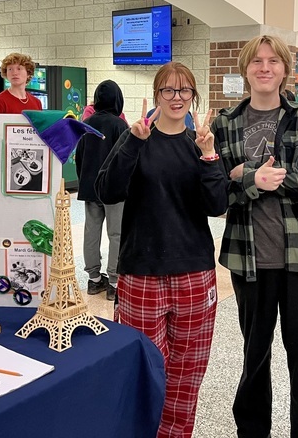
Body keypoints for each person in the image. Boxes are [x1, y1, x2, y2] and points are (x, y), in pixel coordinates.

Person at [96, 62, 227, 437]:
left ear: (193, 96)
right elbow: (107, 191)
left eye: (184, 90)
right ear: (156, 95)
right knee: (144, 369)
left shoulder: (200, 143)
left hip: (194, 274)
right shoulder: (136, 136)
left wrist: (209, 155)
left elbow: (217, 204)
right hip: (142, 273)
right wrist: (133, 143)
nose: (176, 97)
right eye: (168, 90)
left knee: (186, 377)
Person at [210, 34, 298, 438]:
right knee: (254, 357)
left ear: (285, 70)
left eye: (273, 61)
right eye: (256, 61)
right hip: (248, 258)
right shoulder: (225, 123)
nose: (264, 68)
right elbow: (219, 193)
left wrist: (246, 174)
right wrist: (251, 181)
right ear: (245, 70)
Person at [75, 80, 128, 301]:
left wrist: (84, 182)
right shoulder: (119, 125)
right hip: (114, 189)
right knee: (116, 234)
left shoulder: (86, 124)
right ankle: (114, 282)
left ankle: (94, 279)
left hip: (90, 186)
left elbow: (79, 158)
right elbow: (126, 159)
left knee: (91, 231)